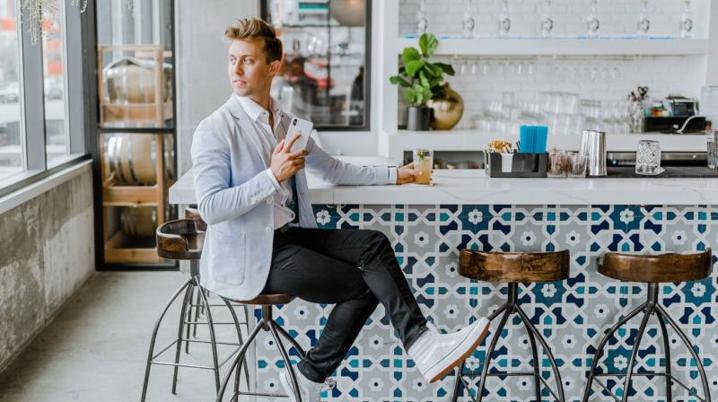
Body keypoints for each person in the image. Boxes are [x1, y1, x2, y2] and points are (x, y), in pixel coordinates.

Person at [190, 18, 490, 401]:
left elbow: (332, 170)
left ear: (273, 66)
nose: (235, 69)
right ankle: (312, 376)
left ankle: (422, 345)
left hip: (285, 236)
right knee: (364, 285)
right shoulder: (215, 129)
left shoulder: (285, 123)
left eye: (247, 60)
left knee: (373, 246)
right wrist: (272, 175)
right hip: (252, 256)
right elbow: (211, 207)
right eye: (232, 59)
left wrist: (397, 175)